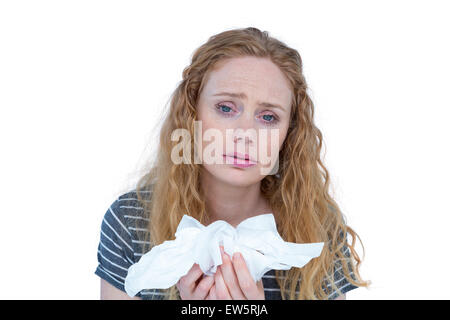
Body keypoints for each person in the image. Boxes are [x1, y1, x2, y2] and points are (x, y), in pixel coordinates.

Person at [94, 27, 370, 300]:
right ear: (192, 114)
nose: (245, 134)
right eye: (226, 108)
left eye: (268, 117)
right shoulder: (131, 221)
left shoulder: (318, 228)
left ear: (289, 133)